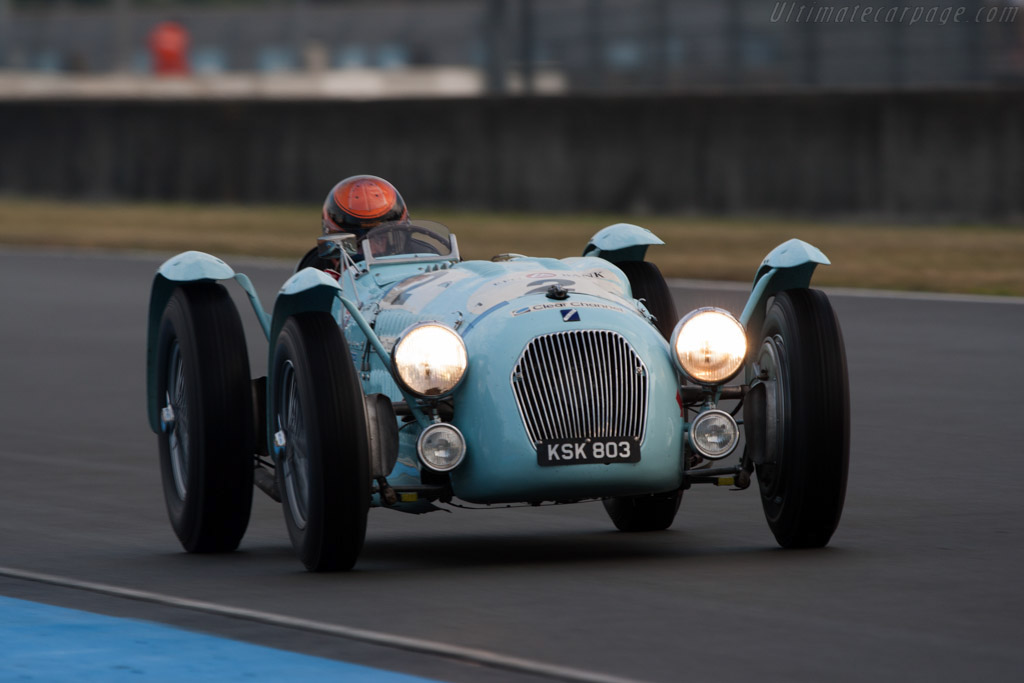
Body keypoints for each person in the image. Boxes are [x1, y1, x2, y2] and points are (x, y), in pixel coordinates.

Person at [297, 175, 409, 272]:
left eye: (380, 239)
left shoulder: (419, 258)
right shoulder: (315, 267)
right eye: (357, 243)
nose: (370, 251)